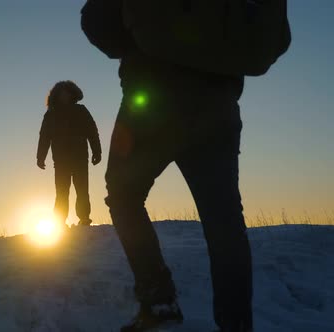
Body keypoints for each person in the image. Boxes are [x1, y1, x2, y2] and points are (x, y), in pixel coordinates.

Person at [102, 23, 254, 332]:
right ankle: (236, 324)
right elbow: (272, 35)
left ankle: (160, 303)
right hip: (217, 102)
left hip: (149, 98)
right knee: (223, 215)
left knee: (123, 196)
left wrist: (140, 37)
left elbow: (99, 23)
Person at [37, 80, 102, 227]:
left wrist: (96, 151)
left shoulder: (81, 111)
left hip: (80, 157)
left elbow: (92, 132)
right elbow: (44, 136)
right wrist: (40, 157)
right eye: (61, 94)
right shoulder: (51, 115)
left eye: (67, 93)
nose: (64, 96)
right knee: (61, 191)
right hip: (60, 160)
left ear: (72, 95)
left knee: (82, 189)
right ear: (56, 96)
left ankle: (84, 218)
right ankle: (60, 221)